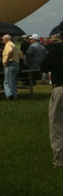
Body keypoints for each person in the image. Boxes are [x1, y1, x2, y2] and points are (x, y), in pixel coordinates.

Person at [40, 37, 63, 167]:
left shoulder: (56, 49)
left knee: (57, 126)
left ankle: (60, 161)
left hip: (60, 88)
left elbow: (44, 66)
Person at [2, 34, 20, 101]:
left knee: (8, 82)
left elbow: (10, 51)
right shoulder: (14, 44)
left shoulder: (8, 45)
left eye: (3, 39)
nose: (2, 41)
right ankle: (12, 96)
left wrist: (6, 60)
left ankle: (10, 95)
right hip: (16, 64)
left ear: (6, 39)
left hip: (10, 65)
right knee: (12, 82)